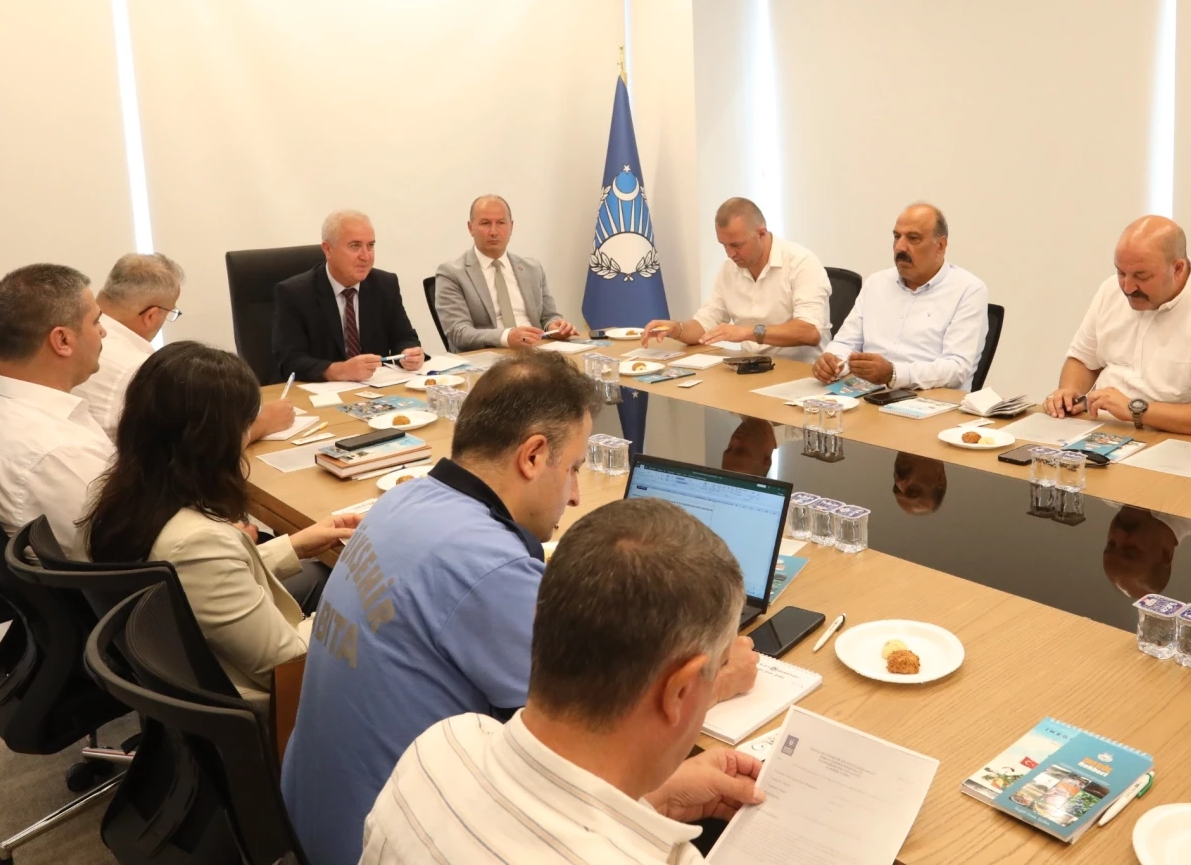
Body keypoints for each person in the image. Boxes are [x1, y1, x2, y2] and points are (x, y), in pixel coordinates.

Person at [282, 351, 762, 865]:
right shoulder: (492, 568)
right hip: (372, 840)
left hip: (320, 811)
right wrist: (717, 679)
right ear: (532, 456)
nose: (575, 496)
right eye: (573, 468)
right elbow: (605, 722)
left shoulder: (405, 500)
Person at [359, 498, 766, 864]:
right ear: (680, 690)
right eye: (721, 665)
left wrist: (648, 800)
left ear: (540, 620)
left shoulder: (441, 747)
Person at [80, 342, 356, 711]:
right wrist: (360, 616)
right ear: (215, 439)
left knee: (322, 574)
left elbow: (193, 584)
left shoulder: (124, 494)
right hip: (268, 709)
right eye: (245, 425)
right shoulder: (199, 542)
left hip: (194, 672)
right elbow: (290, 668)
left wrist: (295, 545)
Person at [1044, 216, 1191, 438]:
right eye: (1121, 272)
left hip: (1172, 439)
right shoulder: (1110, 290)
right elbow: (1082, 360)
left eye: (1142, 276)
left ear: (1177, 268)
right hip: (1099, 431)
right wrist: (1070, 392)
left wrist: (1135, 410)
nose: (1128, 287)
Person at [0, 264, 110, 558]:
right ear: (62, 340)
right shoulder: (58, 454)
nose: (103, 332)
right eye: (96, 321)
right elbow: (129, 547)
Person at [74, 252, 294, 439]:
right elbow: (188, 453)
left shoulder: (75, 343)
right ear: (151, 316)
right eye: (171, 312)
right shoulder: (137, 371)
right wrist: (262, 424)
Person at [812, 203, 988, 390]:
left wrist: (894, 373)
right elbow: (845, 342)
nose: (900, 247)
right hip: (867, 393)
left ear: (941, 245)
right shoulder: (877, 283)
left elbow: (957, 368)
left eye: (913, 238)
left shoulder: (968, 290)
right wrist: (832, 362)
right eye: (897, 236)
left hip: (930, 398)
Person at [646, 197, 831, 362]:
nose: (730, 253)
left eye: (737, 245)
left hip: (801, 372)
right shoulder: (729, 270)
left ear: (761, 233)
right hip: (752, 368)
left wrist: (747, 332)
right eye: (724, 245)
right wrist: (676, 329)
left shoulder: (801, 263)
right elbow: (706, 323)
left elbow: (810, 331)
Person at [272, 209, 424, 382]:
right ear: (328, 249)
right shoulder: (294, 293)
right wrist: (340, 370)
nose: (366, 256)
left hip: (375, 388)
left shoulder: (385, 284)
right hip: (319, 392)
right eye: (355, 246)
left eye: (370, 246)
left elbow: (404, 337)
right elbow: (289, 361)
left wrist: (409, 353)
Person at [434, 194, 577, 351]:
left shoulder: (532, 268)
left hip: (537, 351)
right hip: (489, 355)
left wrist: (554, 326)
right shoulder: (452, 273)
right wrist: (506, 338)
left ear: (511, 226)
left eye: (501, 223)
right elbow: (458, 333)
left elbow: (548, 316)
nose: (494, 232)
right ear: (470, 228)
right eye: (485, 223)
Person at [1101, 506, 1191, 600]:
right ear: (1165, 554)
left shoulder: (1106, 491)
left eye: (1111, 544)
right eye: (1131, 551)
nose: (1119, 533)